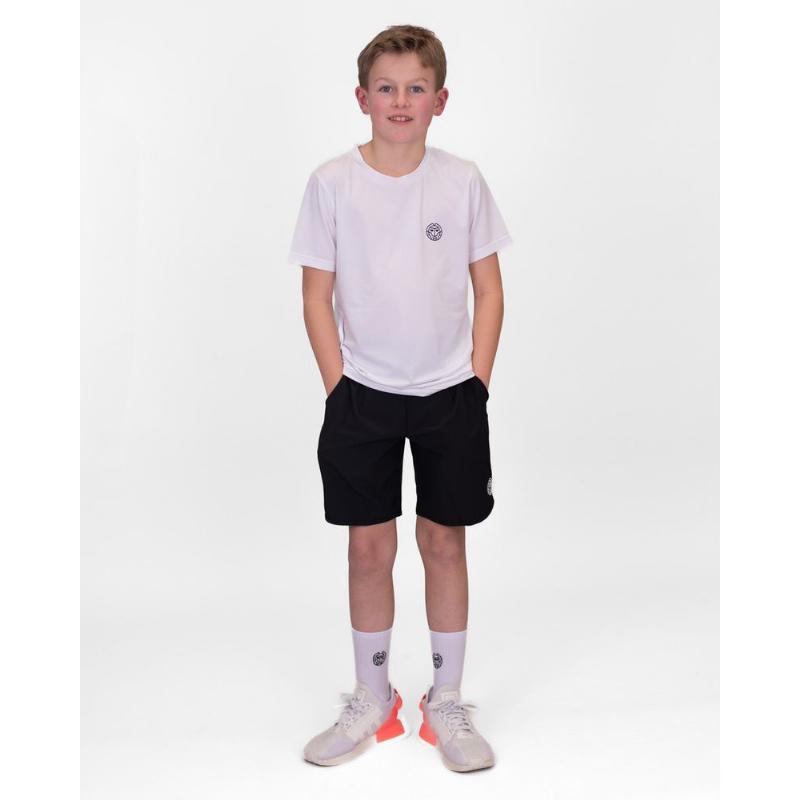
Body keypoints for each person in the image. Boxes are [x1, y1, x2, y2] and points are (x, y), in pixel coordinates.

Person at [287, 24, 512, 772]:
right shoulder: (332, 183)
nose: (400, 100)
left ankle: (445, 701)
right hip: (363, 394)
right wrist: (338, 388)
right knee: (367, 547)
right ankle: (372, 697)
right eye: (386, 87)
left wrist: (476, 383)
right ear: (362, 97)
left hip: (450, 393)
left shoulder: (462, 180)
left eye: (416, 87)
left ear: (440, 100)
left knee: (445, 541)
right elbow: (316, 295)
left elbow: (488, 288)